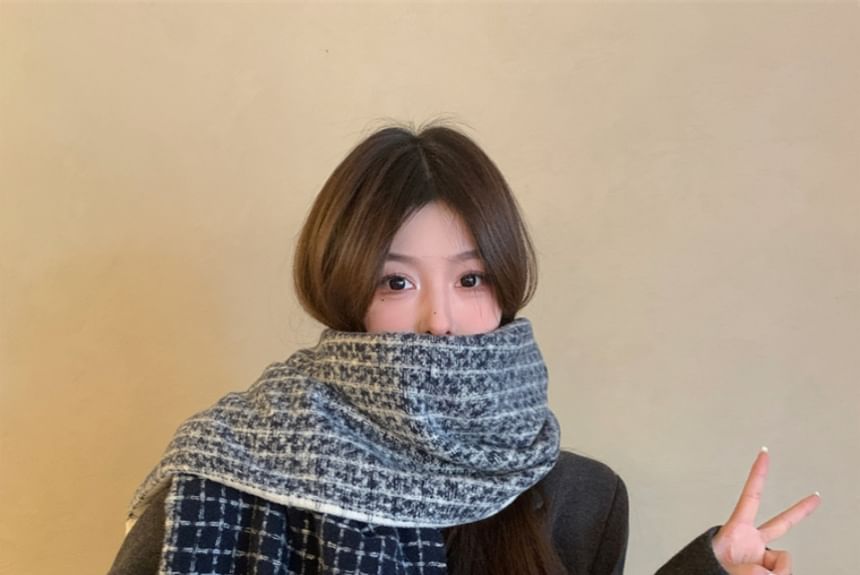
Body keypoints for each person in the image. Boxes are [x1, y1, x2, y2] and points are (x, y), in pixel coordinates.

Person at [108, 122, 820, 575]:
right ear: (345, 290)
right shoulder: (232, 470)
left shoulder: (581, 497)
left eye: (470, 278)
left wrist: (709, 570)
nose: (439, 319)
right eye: (396, 281)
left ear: (505, 286)